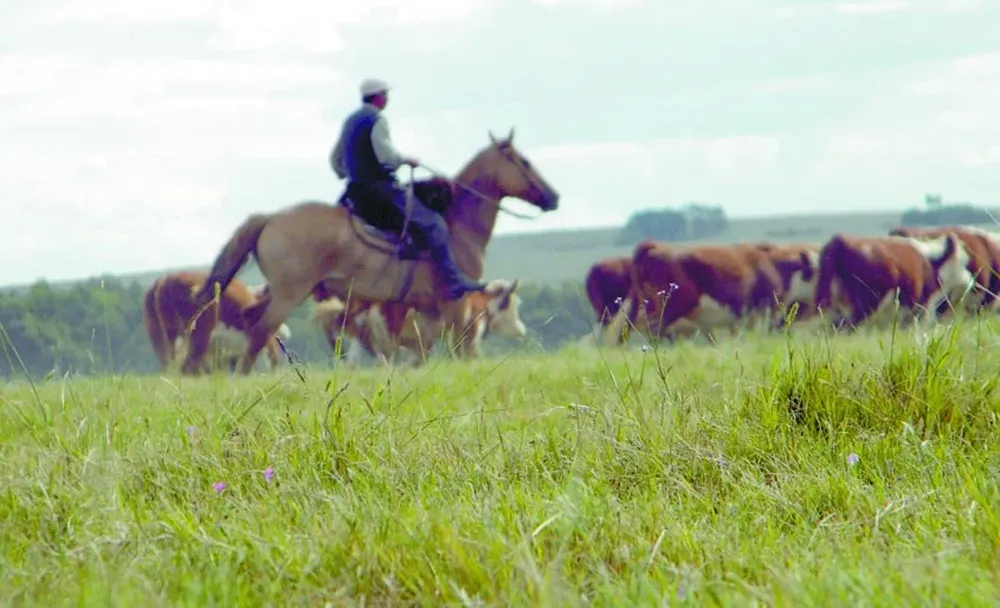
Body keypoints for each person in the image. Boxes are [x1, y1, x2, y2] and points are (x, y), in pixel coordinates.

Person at [329, 77, 487, 300]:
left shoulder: (349, 121)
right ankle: (453, 281)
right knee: (434, 224)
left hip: (355, 191)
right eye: (386, 95)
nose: (388, 99)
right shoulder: (377, 119)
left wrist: (353, 173)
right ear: (380, 96)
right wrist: (405, 160)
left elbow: (335, 159)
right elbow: (386, 156)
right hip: (380, 189)